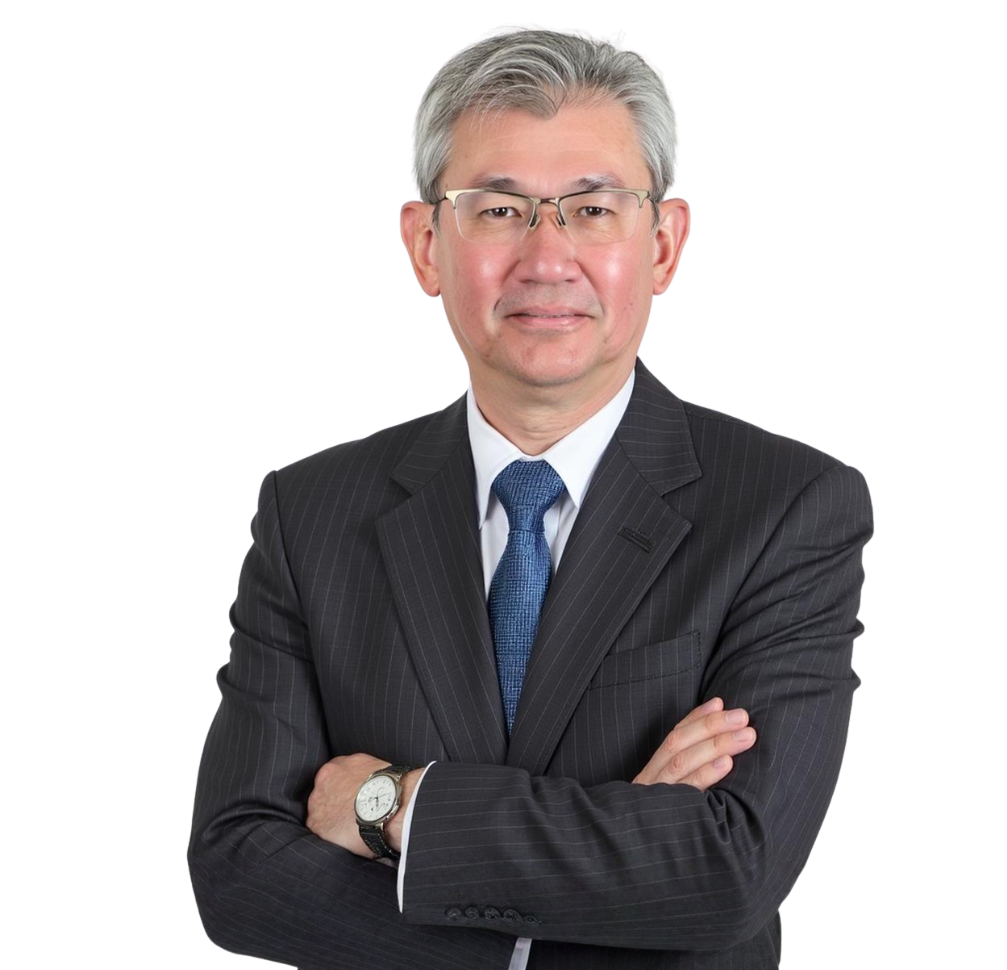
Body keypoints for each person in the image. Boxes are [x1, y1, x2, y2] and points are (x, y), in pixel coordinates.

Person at [188, 23, 872, 970]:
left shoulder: (789, 508)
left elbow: (726, 872)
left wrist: (396, 807)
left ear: (665, 245)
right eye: (500, 210)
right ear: (426, 245)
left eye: (592, 210)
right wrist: (603, 893)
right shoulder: (309, 513)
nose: (547, 260)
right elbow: (239, 878)